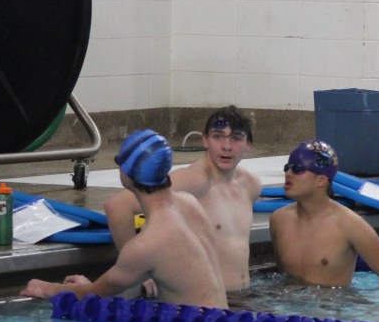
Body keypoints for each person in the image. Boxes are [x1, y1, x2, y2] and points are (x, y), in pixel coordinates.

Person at [21, 130, 228, 309]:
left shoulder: (146, 244)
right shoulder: (190, 204)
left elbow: (95, 294)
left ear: (126, 174)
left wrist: (47, 287)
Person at [104, 105, 262, 294]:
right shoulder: (196, 180)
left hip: (244, 298)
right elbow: (117, 205)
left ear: (248, 144)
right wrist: (138, 274)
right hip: (202, 305)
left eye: (236, 138)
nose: (226, 146)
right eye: (218, 136)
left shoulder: (251, 185)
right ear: (205, 140)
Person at [269, 140, 379, 288]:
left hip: (335, 302)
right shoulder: (279, 220)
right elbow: (283, 277)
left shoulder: (350, 225)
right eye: (287, 167)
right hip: (291, 302)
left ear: (321, 180)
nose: (288, 174)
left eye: (297, 169)